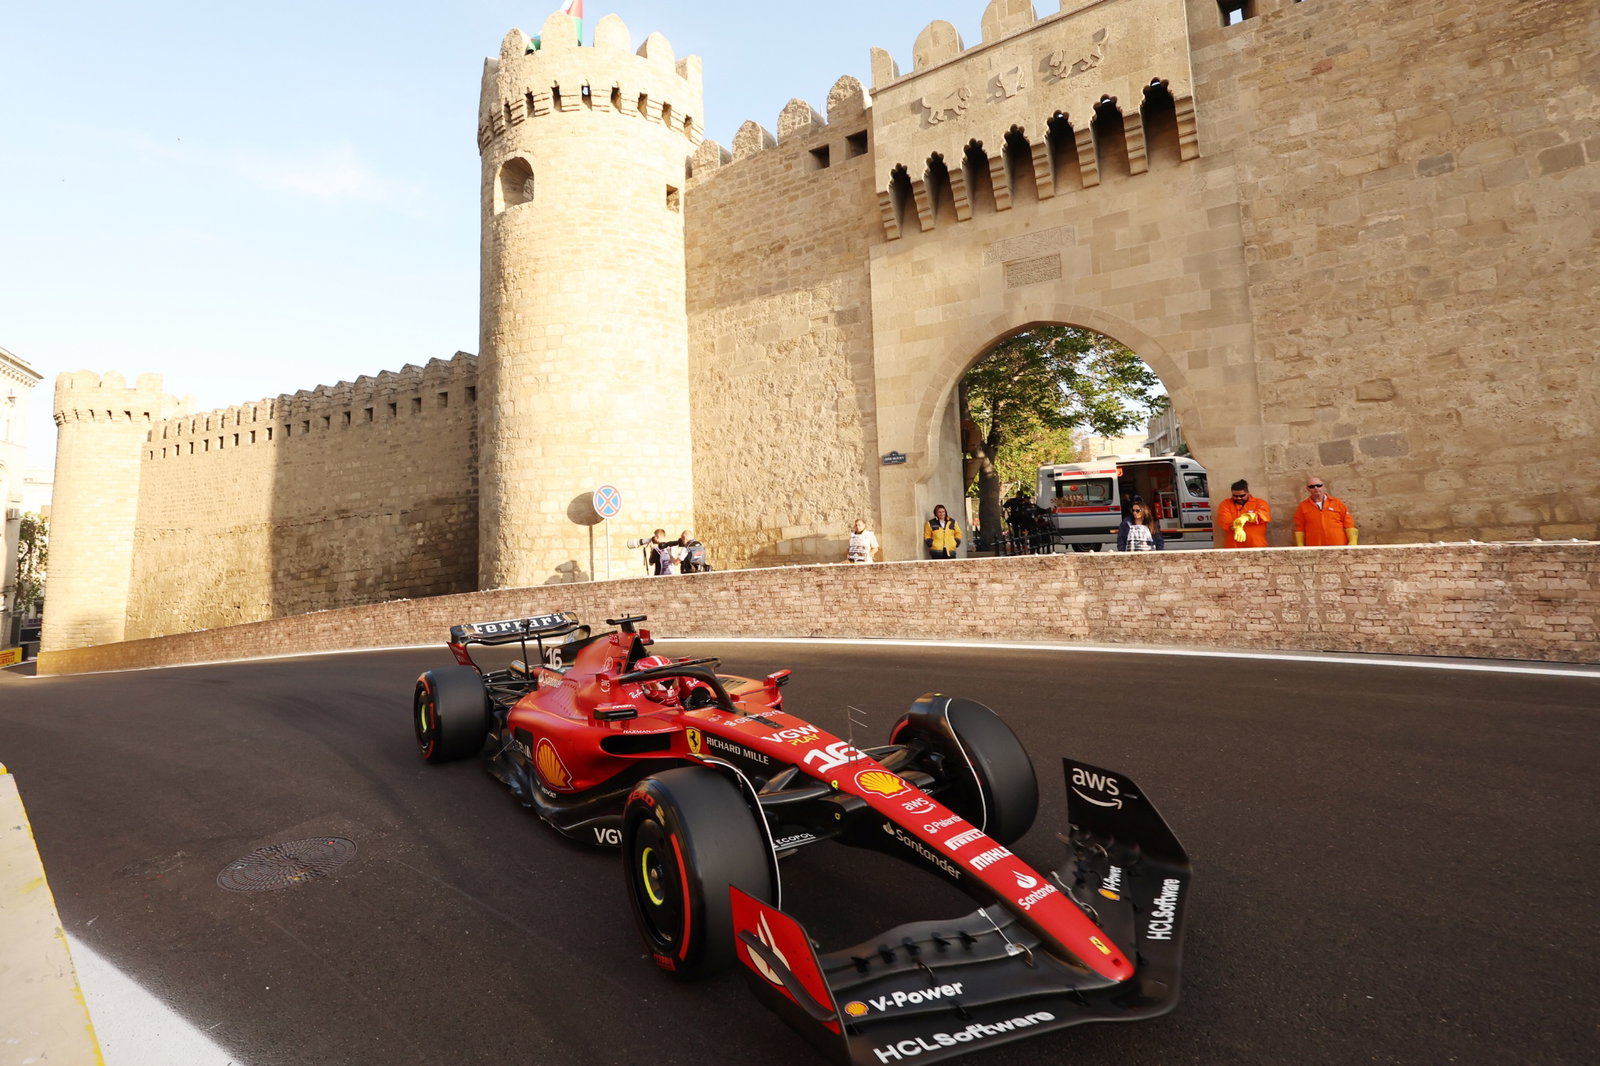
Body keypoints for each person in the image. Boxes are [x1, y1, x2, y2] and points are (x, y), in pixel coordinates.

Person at [1294, 476, 1359, 546]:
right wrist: (1300, 544)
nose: (1316, 488)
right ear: (1308, 489)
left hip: (1338, 546)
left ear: (1323, 487)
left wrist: (1353, 541)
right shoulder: (1303, 506)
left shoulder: (1337, 503)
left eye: (1318, 485)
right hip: (1315, 547)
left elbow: (1349, 523)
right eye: (1311, 487)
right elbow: (1299, 527)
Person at [1215, 479, 1271, 548]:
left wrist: (1247, 517)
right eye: (1235, 496)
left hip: (1256, 545)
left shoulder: (1260, 503)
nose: (1238, 498)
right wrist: (1237, 527)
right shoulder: (1225, 504)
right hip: (1233, 546)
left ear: (1248, 493)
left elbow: (1263, 516)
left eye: (1242, 496)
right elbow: (1224, 522)